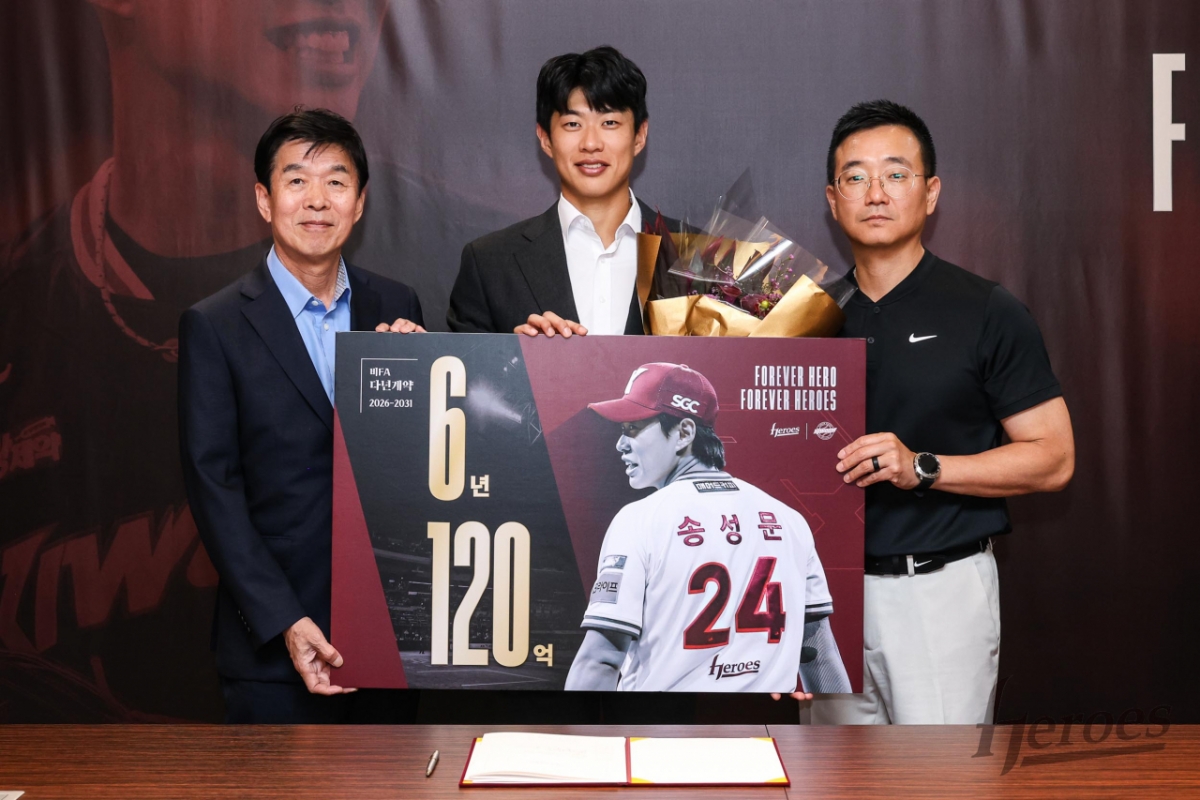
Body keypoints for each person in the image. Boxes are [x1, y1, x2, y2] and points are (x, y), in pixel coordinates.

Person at [798, 100, 1075, 724]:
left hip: (938, 593)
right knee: (834, 775)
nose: (875, 192)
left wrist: (922, 467)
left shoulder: (986, 310)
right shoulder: (805, 318)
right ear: (833, 199)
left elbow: (1054, 458)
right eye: (855, 177)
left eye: (895, 174)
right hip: (826, 598)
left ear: (930, 193)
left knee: (941, 775)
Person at [178, 108, 423, 723]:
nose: (317, 200)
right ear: (264, 200)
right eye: (296, 181)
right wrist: (285, 618)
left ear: (359, 203)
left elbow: (424, 470)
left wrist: (427, 385)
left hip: (393, 634)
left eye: (336, 181)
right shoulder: (215, 324)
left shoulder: (397, 305)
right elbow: (214, 490)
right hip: (272, 649)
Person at [566, 362, 852, 694]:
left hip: (664, 723)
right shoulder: (789, 520)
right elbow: (817, 655)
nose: (621, 443)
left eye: (633, 427)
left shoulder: (640, 519)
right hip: (765, 723)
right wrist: (839, 727)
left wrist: (576, 729)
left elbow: (599, 661)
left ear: (684, 433)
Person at [448, 45, 672, 337]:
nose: (591, 143)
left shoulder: (696, 259)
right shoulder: (489, 263)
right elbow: (466, 365)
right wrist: (513, 355)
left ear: (639, 135)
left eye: (609, 122)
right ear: (545, 138)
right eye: (572, 124)